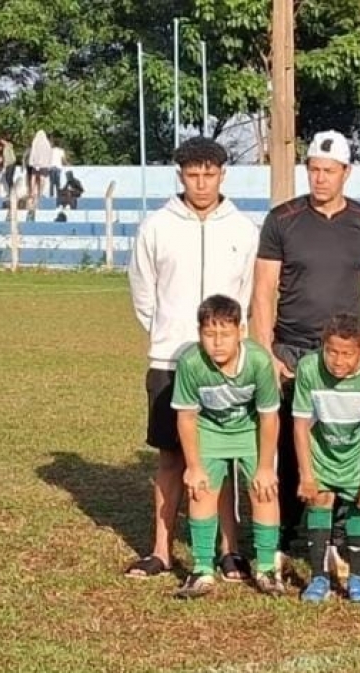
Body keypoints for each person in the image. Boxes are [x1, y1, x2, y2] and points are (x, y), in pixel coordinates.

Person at [251, 130, 360, 575]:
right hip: (293, 349)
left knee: (345, 441)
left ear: (346, 173)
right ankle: (291, 533)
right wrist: (265, 352)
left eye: (329, 171)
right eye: (313, 169)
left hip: (346, 357)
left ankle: (341, 536)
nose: (320, 179)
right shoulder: (282, 220)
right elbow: (262, 291)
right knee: (292, 444)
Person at [125, 137, 258, 581]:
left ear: (223, 175)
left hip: (225, 364)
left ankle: (229, 549)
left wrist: (229, 345)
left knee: (221, 458)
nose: (201, 183)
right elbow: (144, 295)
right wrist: (170, 337)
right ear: (180, 175)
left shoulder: (243, 228)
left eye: (210, 174)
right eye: (192, 174)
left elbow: (247, 296)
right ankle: (160, 550)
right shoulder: (156, 227)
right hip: (170, 359)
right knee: (170, 458)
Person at [170, 295, 284, 599]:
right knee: (201, 490)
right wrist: (193, 467)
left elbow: (269, 417)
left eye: (225, 334)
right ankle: (202, 569)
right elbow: (187, 416)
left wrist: (264, 467)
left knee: (264, 489)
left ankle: (266, 567)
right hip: (209, 431)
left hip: (250, 431)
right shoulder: (191, 363)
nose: (217, 342)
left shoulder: (259, 361)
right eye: (209, 334)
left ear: (241, 332)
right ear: (199, 334)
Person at [292, 313, 360, 603]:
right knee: (320, 501)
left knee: (359, 505)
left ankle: (357, 578)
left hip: (357, 454)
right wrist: (306, 474)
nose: (338, 360)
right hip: (321, 451)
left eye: (347, 354)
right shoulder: (309, 369)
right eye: (332, 351)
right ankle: (319, 578)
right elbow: (300, 425)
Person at [26, 130, 52, 199]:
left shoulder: (35, 141)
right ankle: (39, 192)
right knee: (41, 178)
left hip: (37, 164)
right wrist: (49, 163)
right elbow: (50, 154)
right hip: (43, 164)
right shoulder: (47, 143)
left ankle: (33, 192)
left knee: (34, 177)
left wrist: (31, 162)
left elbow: (32, 152)